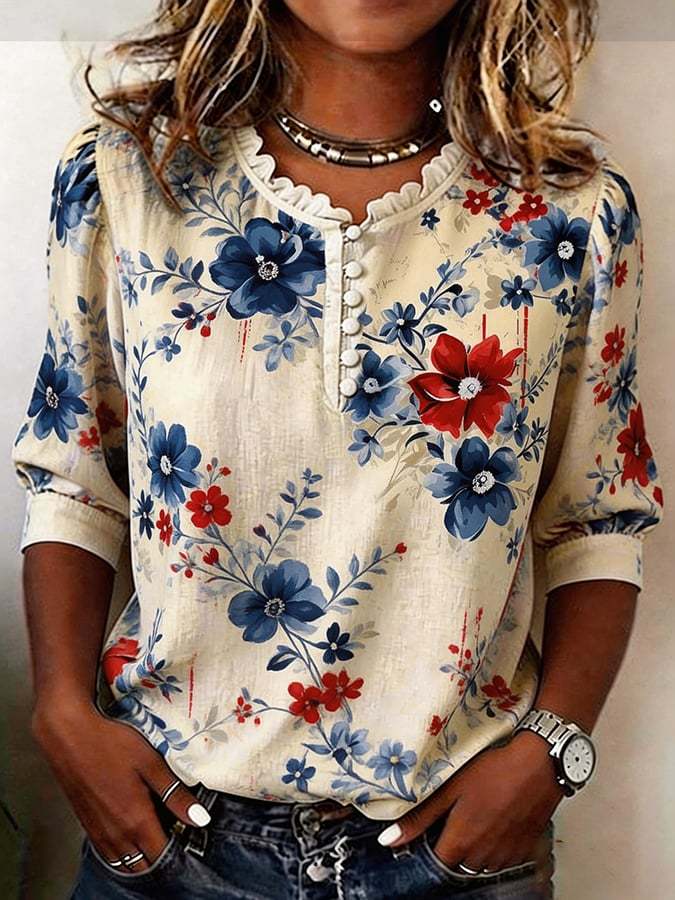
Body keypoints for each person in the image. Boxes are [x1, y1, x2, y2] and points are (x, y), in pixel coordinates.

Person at [10, 1, 664, 898]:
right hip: (169, 837)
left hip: (458, 849)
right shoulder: (127, 176)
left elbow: (598, 514)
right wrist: (60, 713)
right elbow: (75, 477)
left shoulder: (574, 211)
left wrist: (552, 751)